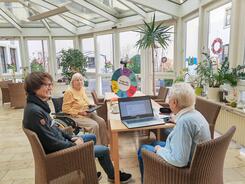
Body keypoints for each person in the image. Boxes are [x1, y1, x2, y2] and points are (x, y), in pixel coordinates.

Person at [22, 72, 132, 183]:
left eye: (51, 84)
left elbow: (54, 128)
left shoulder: (37, 107)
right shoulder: (35, 112)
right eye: (47, 85)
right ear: (34, 87)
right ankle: (113, 175)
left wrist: (70, 137)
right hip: (59, 153)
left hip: (63, 143)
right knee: (104, 150)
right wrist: (74, 145)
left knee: (92, 137)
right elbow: (52, 143)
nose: (50, 88)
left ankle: (90, 172)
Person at [138, 82, 211, 182]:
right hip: (198, 162)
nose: (168, 102)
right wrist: (177, 119)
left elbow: (180, 161)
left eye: (169, 99)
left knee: (143, 149)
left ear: (175, 102)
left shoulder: (184, 123)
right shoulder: (195, 114)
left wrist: (159, 150)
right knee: (155, 143)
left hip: (186, 168)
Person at [62, 73, 109, 145]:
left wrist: (90, 105)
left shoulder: (82, 89)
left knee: (102, 122)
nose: (79, 82)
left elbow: (84, 101)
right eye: (77, 80)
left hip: (88, 113)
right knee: (94, 125)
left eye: (81, 80)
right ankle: (97, 148)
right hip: (77, 117)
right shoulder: (69, 92)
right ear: (72, 82)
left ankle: (105, 145)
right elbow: (65, 109)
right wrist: (80, 112)